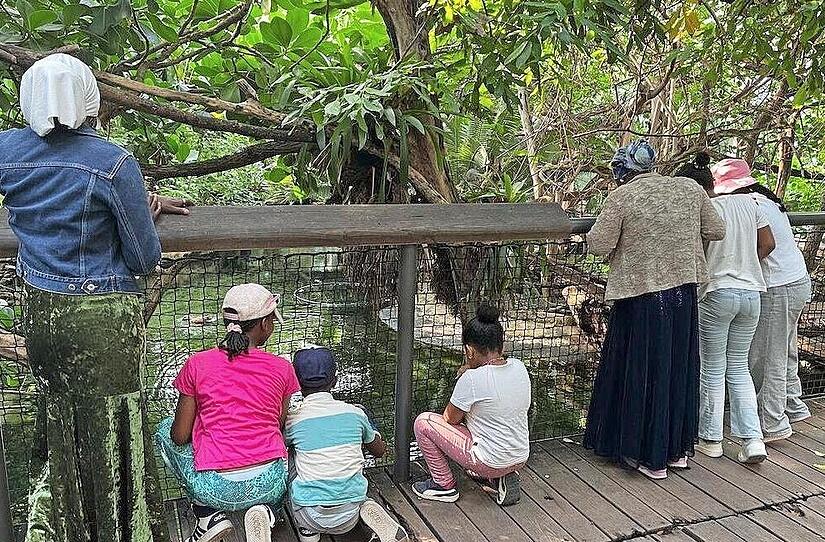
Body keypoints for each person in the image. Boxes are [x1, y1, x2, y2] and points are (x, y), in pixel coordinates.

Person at [0, 53, 187, 542]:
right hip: (101, 318)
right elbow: (144, 259)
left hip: (42, 311)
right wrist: (144, 207)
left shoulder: (6, 150)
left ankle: (59, 528)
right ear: (87, 97)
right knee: (114, 427)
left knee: (62, 417)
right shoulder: (113, 162)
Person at [583, 140, 725, 480]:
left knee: (643, 371)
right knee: (677, 368)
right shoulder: (689, 189)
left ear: (622, 172)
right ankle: (673, 452)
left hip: (642, 297)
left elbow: (598, 244)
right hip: (684, 295)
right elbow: (716, 230)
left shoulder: (621, 198)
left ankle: (647, 457)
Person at [155, 284, 299, 542]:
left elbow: (178, 436)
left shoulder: (197, 364)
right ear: (265, 324)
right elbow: (277, 424)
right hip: (270, 482)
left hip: (217, 489)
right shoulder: (282, 368)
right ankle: (268, 512)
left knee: (164, 429)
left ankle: (208, 515)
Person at [676, 153, 774, 463]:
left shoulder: (712, 206)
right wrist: (746, 265)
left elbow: (700, 249)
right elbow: (768, 244)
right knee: (739, 368)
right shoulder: (755, 205)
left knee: (713, 368)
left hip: (717, 292)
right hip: (752, 294)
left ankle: (711, 439)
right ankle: (753, 440)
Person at [712, 159, 813, 441]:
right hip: (796, 281)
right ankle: (793, 406)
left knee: (767, 357)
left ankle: (771, 423)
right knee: (785, 350)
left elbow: (766, 246)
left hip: (778, 286)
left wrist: (745, 266)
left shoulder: (748, 206)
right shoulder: (764, 200)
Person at [284, 346, 409, 542]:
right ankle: (364, 506)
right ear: (335, 381)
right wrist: (368, 424)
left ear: (298, 383)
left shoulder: (293, 420)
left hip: (309, 515)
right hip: (350, 514)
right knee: (357, 433)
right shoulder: (354, 413)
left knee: (291, 448)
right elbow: (379, 451)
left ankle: (307, 531)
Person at [411, 304, 530, 505]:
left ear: (469, 350)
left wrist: (464, 378)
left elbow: (450, 419)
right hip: (520, 455)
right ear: (501, 346)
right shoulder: (519, 367)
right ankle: (499, 475)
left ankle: (443, 485)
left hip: (489, 459)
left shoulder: (472, 379)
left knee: (423, 422)